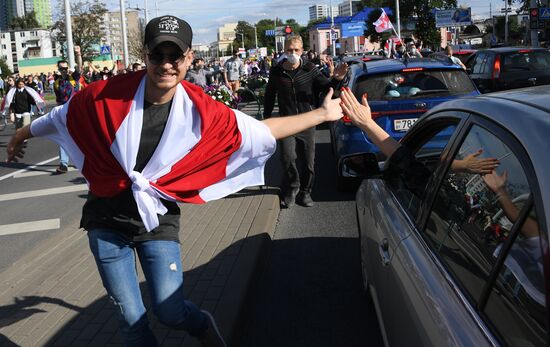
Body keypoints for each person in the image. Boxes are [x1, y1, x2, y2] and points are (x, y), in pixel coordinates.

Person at [6, 15, 345, 347]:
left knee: (170, 312)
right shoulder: (106, 94)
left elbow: (258, 130)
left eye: (175, 57)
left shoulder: (201, 111)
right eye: (158, 56)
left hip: (158, 221)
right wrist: (19, 135)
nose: (166, 65)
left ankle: (202, 325)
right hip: (106, 223)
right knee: (131, 320)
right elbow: (60, 116)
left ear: (189, 58)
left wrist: (321, 114)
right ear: (145, 56)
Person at [263, 35, 348, 208]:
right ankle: (292, 187)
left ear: (302, 51)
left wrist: (337, 79)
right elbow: (270, 94)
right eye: (289, 50)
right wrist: (266, 118)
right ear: (284, 51)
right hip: (286, 123)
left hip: (308, 121)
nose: (293, 53)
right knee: (287, 158)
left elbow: (326, 87)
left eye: (296, 50)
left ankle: (306, 192)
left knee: (308, 161)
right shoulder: (277, 71)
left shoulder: (310, 70)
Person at [53, 51, 81, 174]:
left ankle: (84, 160)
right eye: (61, 68)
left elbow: (79, 68)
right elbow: (58, 99)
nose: (64, 70)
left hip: (77, 111)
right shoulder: (57, 82)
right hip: (63, 112)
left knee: (79, 137)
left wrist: (78, 55)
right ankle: (63, 164)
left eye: (65, 68)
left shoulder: (73, 78)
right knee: (63, 137)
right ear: (58, 69)